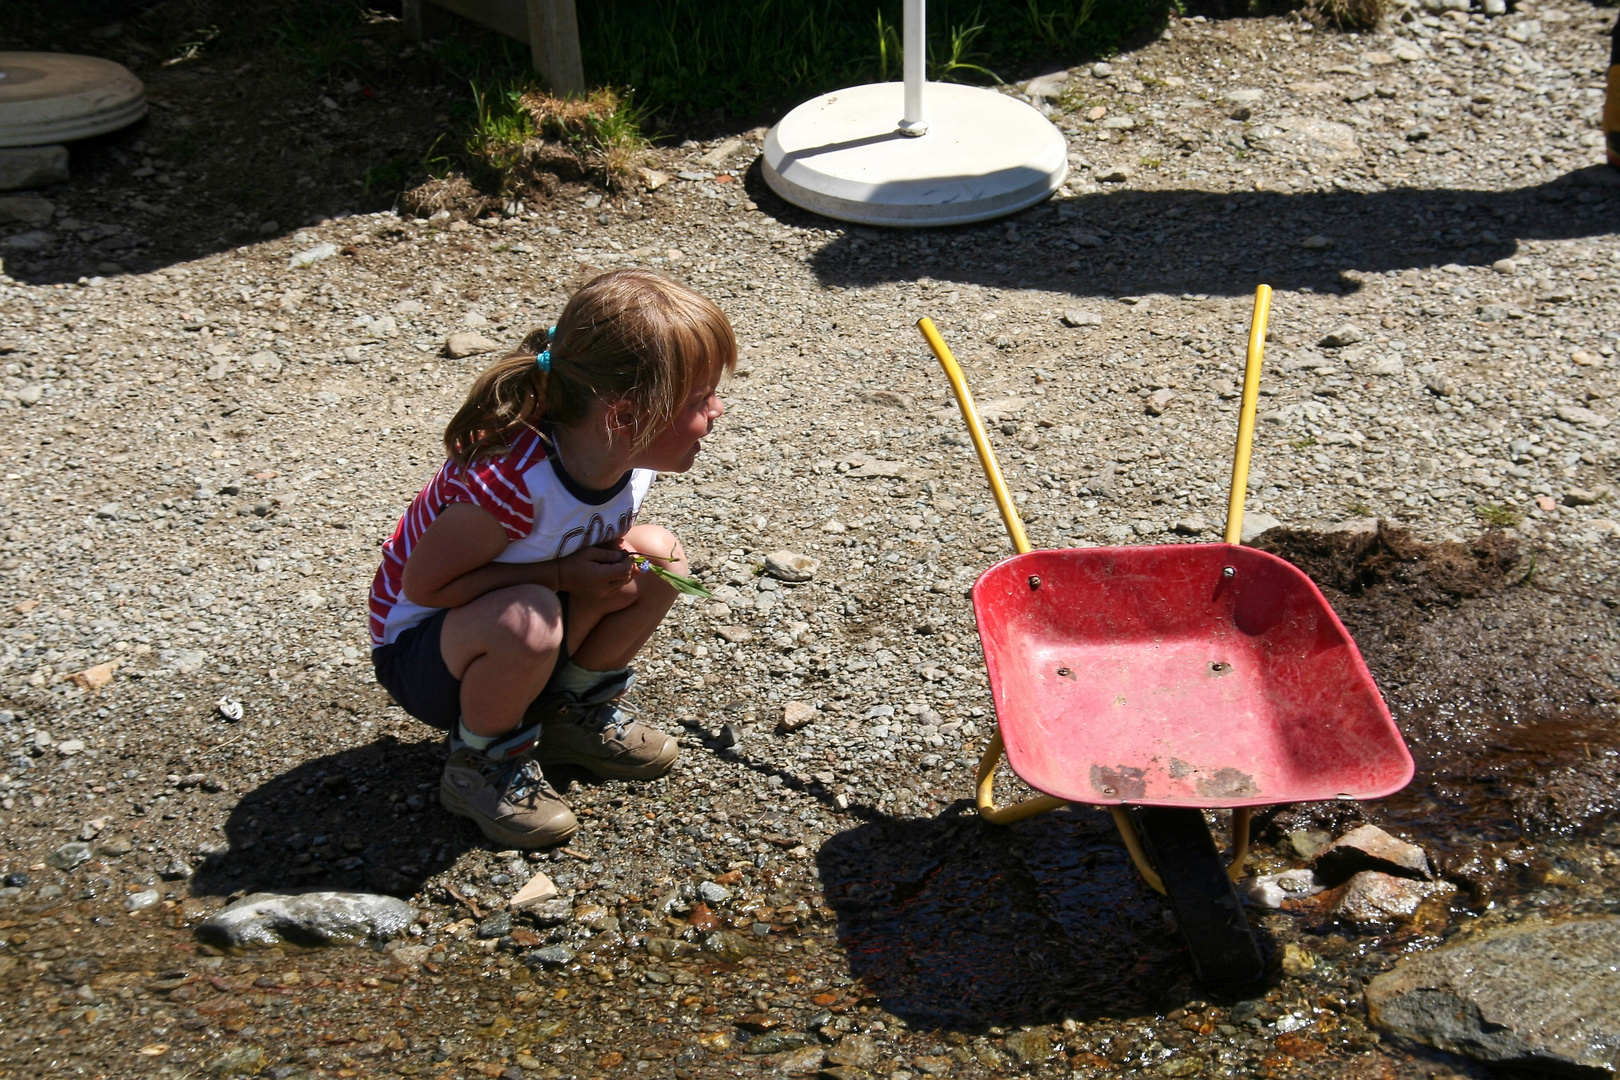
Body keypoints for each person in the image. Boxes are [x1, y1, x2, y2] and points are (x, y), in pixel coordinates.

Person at [367, 269, 735, 847]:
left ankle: (569, 713)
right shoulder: (510, 484)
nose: (717, 411)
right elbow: (426, 587)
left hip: (519, 618)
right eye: (699, 399)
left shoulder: (622, 457)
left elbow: (584, 533)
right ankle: (481, 761)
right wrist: (561, 575)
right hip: (428, 654)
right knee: (529, 615)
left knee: (657, 558)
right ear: (623, 416)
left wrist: (605, 570)